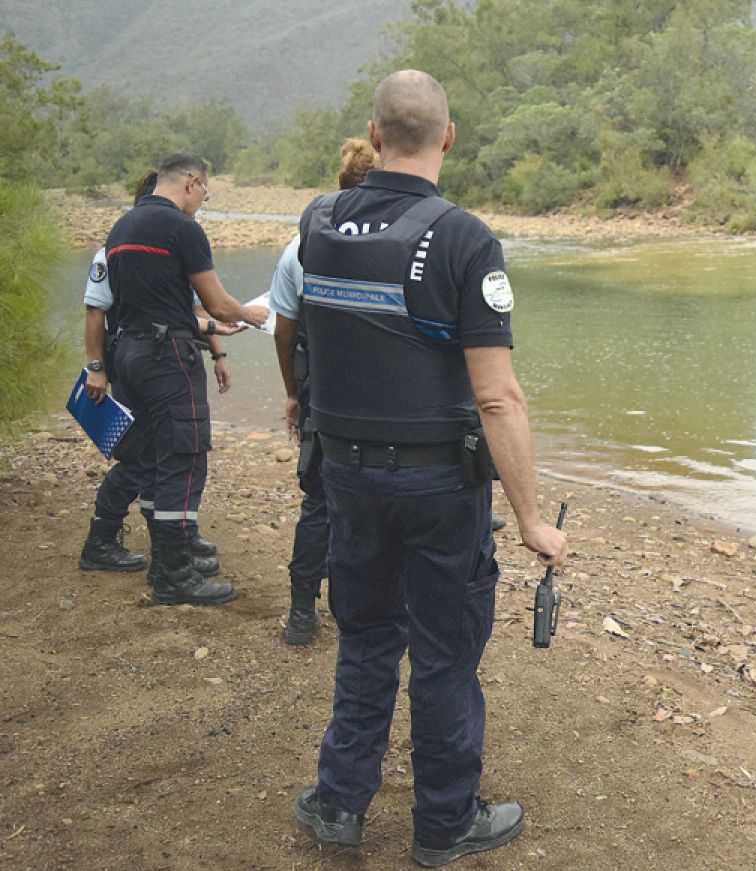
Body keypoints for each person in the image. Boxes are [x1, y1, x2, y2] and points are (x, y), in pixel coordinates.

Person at [290, 70, 568, 867]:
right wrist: (531, 518)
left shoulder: (318, 221)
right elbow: (499, 397)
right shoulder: (463, 239)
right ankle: (444, 822)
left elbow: (311, 335)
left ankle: (340, 801)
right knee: (445, 652)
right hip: (439, 487)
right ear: (449, 137)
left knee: (366, 635)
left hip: (346, 477)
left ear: (374, 135)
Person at [86, 153, 269, 606]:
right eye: (205, 192)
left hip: (128, 354)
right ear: (191, 182)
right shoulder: (183, 229)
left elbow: (149, 304)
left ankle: (171, 557)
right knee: (183, 457)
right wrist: (253, 314)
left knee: (150, 455)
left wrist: (211, 335)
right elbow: (217, 303)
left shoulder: (121, 228)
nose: (203, 201)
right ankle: (173, 575)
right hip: (167, 357)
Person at [269, 139, 380, 645]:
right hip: (386, 396)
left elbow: (284, 330)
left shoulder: (303, 244)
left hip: (324, 393)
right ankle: (369, 607)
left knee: (319, 500)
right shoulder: (402, 239)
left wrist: (293, 392)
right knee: (382, 500)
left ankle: (301, 611)